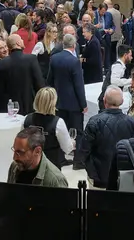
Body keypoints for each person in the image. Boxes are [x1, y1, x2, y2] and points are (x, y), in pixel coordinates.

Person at [83, 86, 134, 188]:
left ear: (104, 100)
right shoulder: (133, 123)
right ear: (122, 101)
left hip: (99, 178)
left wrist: (93, 174)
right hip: (123, 179)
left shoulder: (94, 122)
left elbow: (84, 151)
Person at [47, 34, 87, 169]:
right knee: (78, 132)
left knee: (59, 130)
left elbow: (49, 80)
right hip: (74, 103)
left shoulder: (54, 58)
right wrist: (83, 104)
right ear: (74, 45)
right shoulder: (74, 61)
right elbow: (78, 85)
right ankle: (78, 161)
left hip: (58, 101)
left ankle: (60, 159)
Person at [23, 87, 74, 168]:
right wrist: (72, 142)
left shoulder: (26, 119)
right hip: (51, 167)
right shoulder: (58, 122)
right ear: (53, 103)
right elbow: (67, 148)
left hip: (30, 164)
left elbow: (22, 143)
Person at [0, 34, 44, 113]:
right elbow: (39, 83)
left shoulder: (3, 62)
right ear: (18, 43)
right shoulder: (31, 59)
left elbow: (2, 87)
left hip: (11, 105)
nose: (23, 41)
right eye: (21, 39)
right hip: (30, 103)